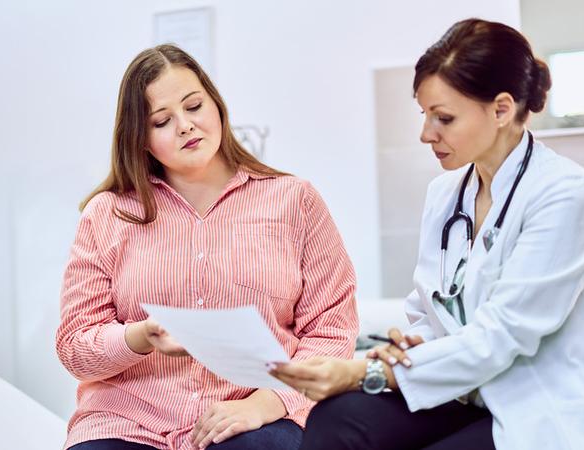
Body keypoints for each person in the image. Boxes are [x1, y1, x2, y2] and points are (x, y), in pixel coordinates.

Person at [270, 18, 584, 450]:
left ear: (502, 109)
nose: (425, 134)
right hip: (472, 394)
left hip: (548, 407)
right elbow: (431, 311)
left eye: (444, 118)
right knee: (341, 420)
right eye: (425, 115)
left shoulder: (566, 195)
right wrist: (411, 346)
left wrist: (366, 372)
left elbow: (503, 333)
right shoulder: (445, 194)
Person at [55, 44, 358, 450]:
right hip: (126, 419)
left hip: (253, 416)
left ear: (217, 106)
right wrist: (140, 336)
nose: (185, 125)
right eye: (162, 121)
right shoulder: (107, 214)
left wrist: (270, 402)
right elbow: (75, 347)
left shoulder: (294, 200)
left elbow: (331, 330)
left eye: (194, 106)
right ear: (141, 140)